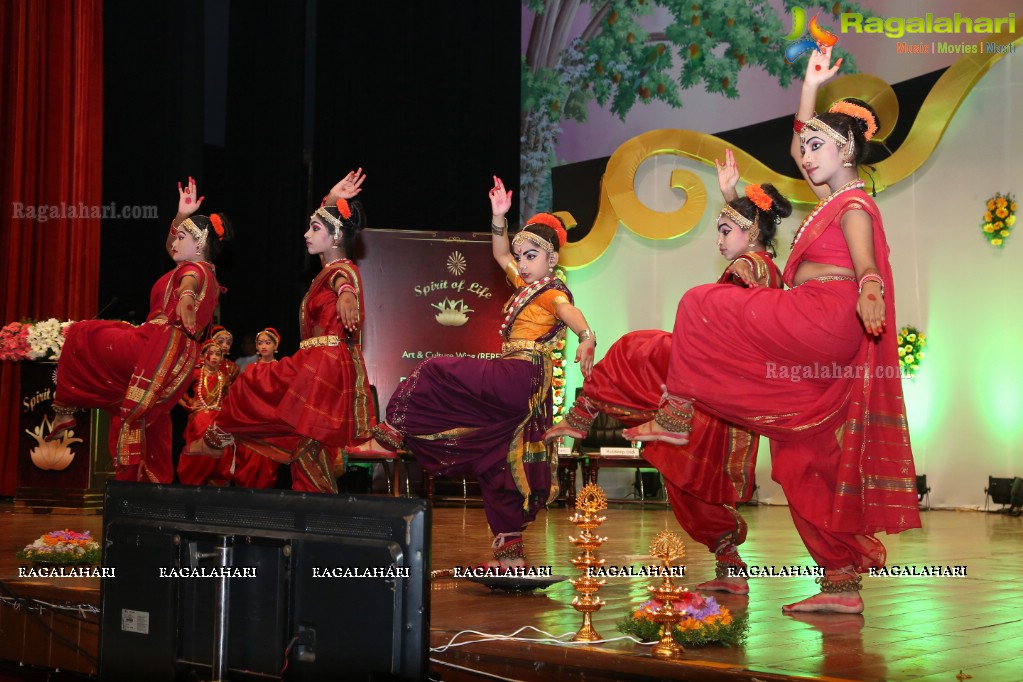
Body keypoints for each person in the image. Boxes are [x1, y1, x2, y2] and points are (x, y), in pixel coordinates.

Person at [626, 47, 920, 613]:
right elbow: (797, 144)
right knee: (795, 458)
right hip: (816, 332)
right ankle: (840, 583)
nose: (806, 158)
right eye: (805, 148)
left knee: (697, 303)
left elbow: (865, 265)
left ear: (849, 150)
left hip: (825, 312)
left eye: (818, 148)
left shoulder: (853, 204)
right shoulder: (828, 201)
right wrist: (809, 89)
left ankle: (678, 410)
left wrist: (871, 288)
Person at [544, 158, 788, 595]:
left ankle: (586, 416)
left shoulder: (750, 268)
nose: (718, 240)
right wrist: (732, 195)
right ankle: (730, 565)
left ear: (750, 233)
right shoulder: (761, 262)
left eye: (725, 230)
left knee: (634, 348)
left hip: (713, 373)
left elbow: (746, 324)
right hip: (714, 380)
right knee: (687, 477)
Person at [347, 176, 596, 568]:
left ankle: (390, 436)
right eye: (523, 256)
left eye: (532, 256)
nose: (524, 264)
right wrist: (499, 218)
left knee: (433, 369)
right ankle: (509, 550)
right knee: (496, 458)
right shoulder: (525, 286)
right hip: (515, 376)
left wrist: (586, 335)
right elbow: (500, 255)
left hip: (521, 376)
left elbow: (570, 313)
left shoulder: (552, 292)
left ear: (552, 260)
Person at [191, 170, 375, 494]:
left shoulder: (341, 270)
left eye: (314, 228)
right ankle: (320, 515)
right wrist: (332, 198)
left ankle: (219, 438)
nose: (306, 233)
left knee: (253, 384)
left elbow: (343, 279)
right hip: (318, 363)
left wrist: (347, 292)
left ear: (333, 237)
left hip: (323, 367)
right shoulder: (328, 270)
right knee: (305, 446)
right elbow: (334, 242)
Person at [48, 178, 230, 483]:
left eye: (182, 236)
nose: (174, 241)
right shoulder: (190, 267)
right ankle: (149, 488)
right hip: (161, 346)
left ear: (199, 244)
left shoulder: (196, 271)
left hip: (162, 347)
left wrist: (186, 298)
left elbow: (190, 283)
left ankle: (65, 410)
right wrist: (181, 216)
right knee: (151, 424)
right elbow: (174, 252)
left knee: (84, 334)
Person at [229, 327, 283, 489]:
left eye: (268, 343)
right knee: (246, 461)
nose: (263, 346)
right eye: (260, 343)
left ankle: (264, 504)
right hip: (250, 422)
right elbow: (240, 392)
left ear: (276, 346)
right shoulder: (250, 368)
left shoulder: (280, 368)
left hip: (269, 423)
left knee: (267, 465)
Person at [176, 340, 234, 486]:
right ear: (202, 357)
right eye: (210, 353)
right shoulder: (196, 373)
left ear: (222, 358)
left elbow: (229, 399)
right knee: (199, 454)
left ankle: (214, 485)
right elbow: (176, 388)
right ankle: (194, 482)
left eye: (218, 354)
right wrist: (189, 403)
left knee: (220, 452)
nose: (214, 357)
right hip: (199, 417)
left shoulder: (224, 378)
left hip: (218, 418)